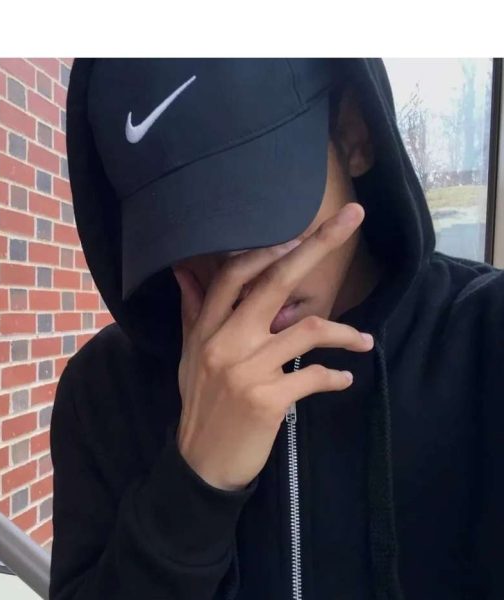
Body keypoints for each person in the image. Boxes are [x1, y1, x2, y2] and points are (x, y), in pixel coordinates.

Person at [48, 59, 504, 599]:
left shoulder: (484, 340)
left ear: (353, 133)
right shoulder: (104, 389)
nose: (234, 272)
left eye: (260, 207)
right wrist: (195, 486)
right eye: (183, 227)